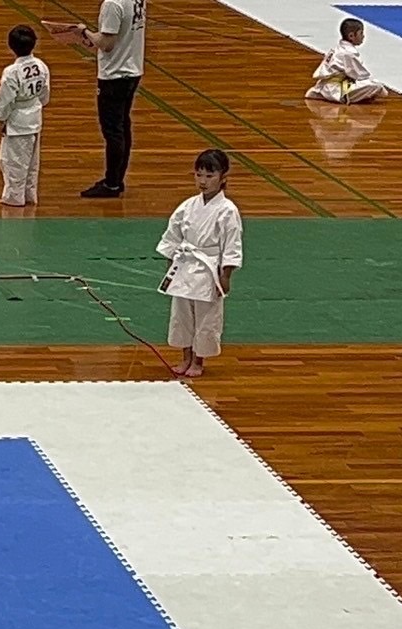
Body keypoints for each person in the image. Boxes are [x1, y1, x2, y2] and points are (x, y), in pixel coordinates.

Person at [156, 149, 242, 379]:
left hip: (209, 268)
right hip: (185, 265)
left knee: (206, 317)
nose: (203, 181)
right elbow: (172, 236)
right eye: (199, 175)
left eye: (209, 176)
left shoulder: (228, 210)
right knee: (182, 314)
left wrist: (226, 275)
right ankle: (185, 357)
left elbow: (232, 245)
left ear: (223, 178)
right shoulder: (187, 206)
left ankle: (198, 360)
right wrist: (171, 264)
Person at [76, 0, 146, 198]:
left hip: (114, 75)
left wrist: (84, 32)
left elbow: (107, 44)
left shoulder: (112, 4)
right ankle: (117, 179)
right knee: (123, 125)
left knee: (113, 131)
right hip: (132, 69)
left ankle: (112, 183)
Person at [0, 25, 50, 207]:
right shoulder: (41, 65)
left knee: (13, 161)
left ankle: (14, 197)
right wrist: (35, 105)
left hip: (18, 120)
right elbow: (45, 93)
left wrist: (1, 119)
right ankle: (29, 194)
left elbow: (5, 99)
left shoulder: (12, 72)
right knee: (31, 162)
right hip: (35, 115)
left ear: (11, 46)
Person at [307, 18, 387, 104]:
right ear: (351, 36)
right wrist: (380, 89)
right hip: (336, 90)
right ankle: (342, 97)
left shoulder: (338, 48)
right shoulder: (349, 53)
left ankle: (321, 93)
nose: (363, 36)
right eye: (361, 33)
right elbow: (361, 76)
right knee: (375, 85)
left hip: (324, 85)